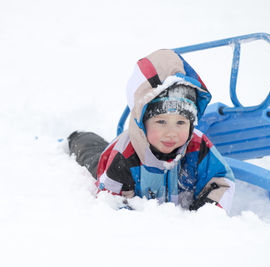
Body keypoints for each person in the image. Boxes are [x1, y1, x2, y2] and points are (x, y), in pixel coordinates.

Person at [68, 49, 235, 212]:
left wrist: (204, 214)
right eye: (161, 121)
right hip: (119, 163)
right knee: (93, 157)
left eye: (181, 122)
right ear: (143, 120)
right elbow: (111, 202)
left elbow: (220, 181)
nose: (171, 132)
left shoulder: (199, 147)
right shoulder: (123, 155)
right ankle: (78, 137)